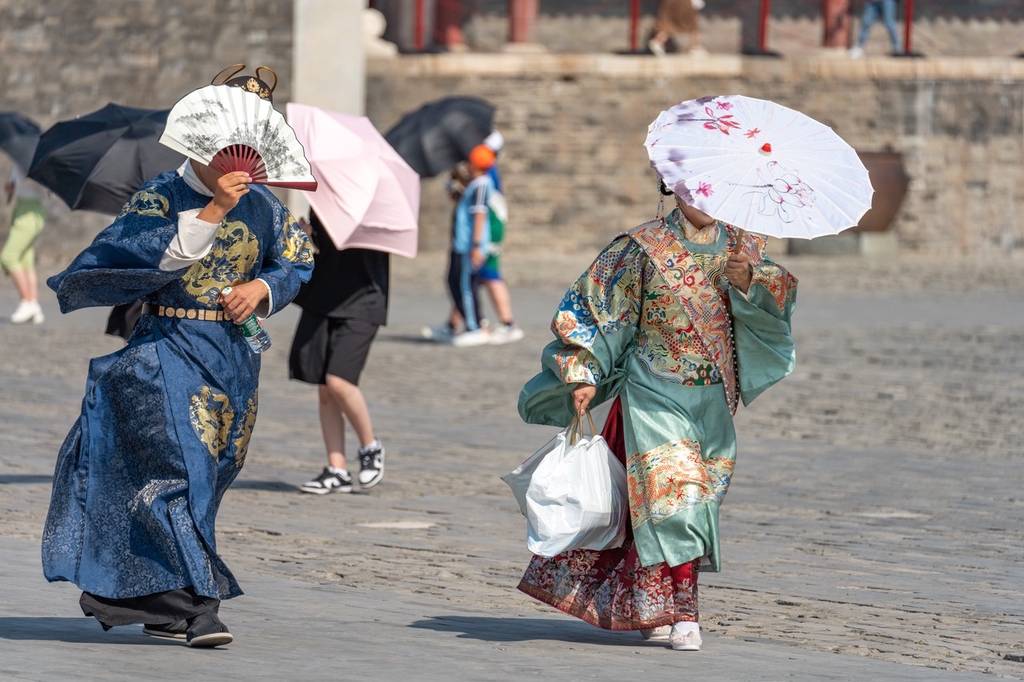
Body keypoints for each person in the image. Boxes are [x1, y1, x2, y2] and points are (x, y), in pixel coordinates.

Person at [40, 67, 314, 648]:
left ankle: (152, 599)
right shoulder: (162, 195)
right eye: (229, 150)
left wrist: (261, 291)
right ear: (205, 141)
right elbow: (123, 255)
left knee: (211, 476)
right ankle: (201, 607)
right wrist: (211, 212)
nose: (240, 162)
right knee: (180, 471)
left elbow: (294, 260)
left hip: (235, 358)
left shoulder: (265, 203)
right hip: (167, 349)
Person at [516, 181, 797, 651]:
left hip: (713, 400)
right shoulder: (641, 247)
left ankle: (651, 601)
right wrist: (584, 370)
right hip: (653, 392)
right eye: (694, 191)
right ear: (673, 190)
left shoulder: (745, 248)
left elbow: (778, 304)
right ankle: (687, 614)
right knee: (679, 496)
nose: (704, 201)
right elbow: (598, 308)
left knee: (690, 503)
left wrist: (752, 282)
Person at [290, 211, 387, 494]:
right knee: (324, 387)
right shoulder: (323, 199)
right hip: (323, 295)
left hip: (363, 299)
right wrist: (305, 236)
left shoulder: (376, 203)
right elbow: (323, 249)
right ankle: (337, 469)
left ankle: (370, 447)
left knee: (339, 381)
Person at [422, 144, 495, 347]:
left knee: (466, 286)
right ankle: (462, 324)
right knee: (453, 281)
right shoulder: (474, 183)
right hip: (461, 242)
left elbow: (479, 215)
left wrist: (476, 245)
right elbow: (461, 201)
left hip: (469, 244)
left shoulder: (481, 184)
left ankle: (476, 326)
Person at [2, 164, 47, 324]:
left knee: (8, 257)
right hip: (22, 207)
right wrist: (11, 187)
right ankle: (33, 304)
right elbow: (18, 186)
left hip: (30, 210)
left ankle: (26, 301)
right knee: (25, 259)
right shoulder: (20, 158)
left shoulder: (32, 160)